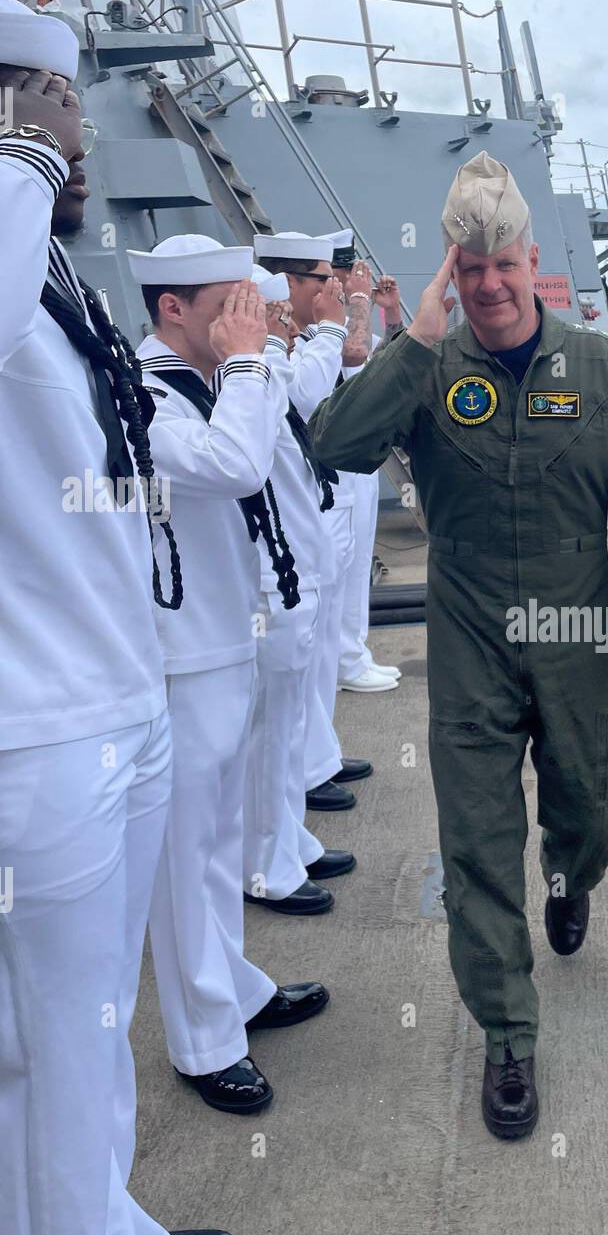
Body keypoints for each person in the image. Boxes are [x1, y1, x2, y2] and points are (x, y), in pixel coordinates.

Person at [311, 151, 608, 1140]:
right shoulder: (430, 365)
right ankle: (508, 1036)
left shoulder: (601, 365)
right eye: (466, 270)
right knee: (474, 849)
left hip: (577, 636)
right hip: (468, 640)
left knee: (592, 809)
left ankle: (574, 875)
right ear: (451, 273)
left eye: (501, 264)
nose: (487, 284)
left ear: (531, 261)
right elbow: (330, 448)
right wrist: (413, 342)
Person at [0, 0, 238, 1235]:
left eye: (71, 120)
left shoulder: (43, 277)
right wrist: (20, 156)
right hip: (42, 734)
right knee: (50, 1042)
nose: (71, 144)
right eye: (44, 113)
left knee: (70, 1040)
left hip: (112, 697)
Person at [128, 235, 329, 1112]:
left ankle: (233, 989)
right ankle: (203, 1042)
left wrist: (258, 352)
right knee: (183, 856)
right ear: (173, 310)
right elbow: (233, 465)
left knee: (212, 844)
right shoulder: (140, 395)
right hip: (178, 654)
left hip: (225, 640)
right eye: (229, 305)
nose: (247, 320)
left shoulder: (215, 377)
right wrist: (251, 362)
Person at [240, 264, 355, 916]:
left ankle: (285, 841)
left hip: (290, 574)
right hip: (263, 585)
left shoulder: (263, 369)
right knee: (265, 737)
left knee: (282, 732)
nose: (288, 326)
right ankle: (267, 865)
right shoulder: (245, 379)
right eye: (278, 316)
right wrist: (328, 330)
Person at [254, 229, 377, 813]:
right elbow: (306, 398)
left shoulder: (294, 338)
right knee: (300, 653)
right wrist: (337, 320)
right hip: (291, 527)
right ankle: (303, 767)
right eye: (319, 278)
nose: (331, 286)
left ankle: (317, 753)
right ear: (287, 283)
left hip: (318, 508)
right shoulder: (272, 344)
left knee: (321, 643)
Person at [330, 237, 403, 692]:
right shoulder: (318, 329)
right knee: (336, 573)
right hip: (331, 472)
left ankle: (353, 655)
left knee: (356, 568)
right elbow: (354, 356)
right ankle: (343, 661)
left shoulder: (343, 323)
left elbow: (386, 359)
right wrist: (358, 301)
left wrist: (390, 312)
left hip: (358, 470)